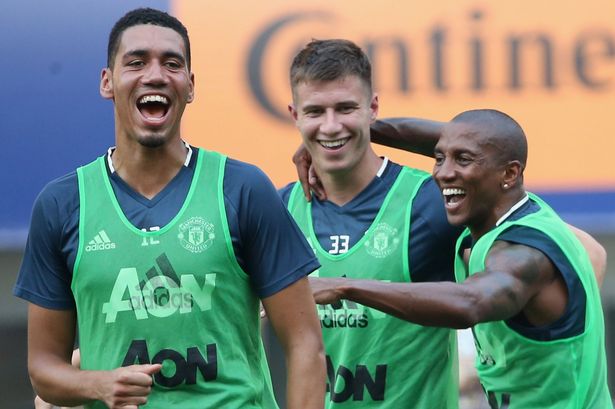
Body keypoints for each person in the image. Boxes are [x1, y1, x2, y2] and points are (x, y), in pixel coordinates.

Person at [14, 8, 325, 409]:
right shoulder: (61, 204)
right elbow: (43, 369)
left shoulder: (242, 188)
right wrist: (98, 385)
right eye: (136, 62)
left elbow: (305, 344)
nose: (156, 75)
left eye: (172, 63)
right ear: (107, 82)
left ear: (190, 86)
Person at [309, 108, 612, 408]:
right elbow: (472, 142)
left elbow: (470, 303)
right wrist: (344, 137)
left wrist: (346, 287)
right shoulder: (506, 214)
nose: (443, 173)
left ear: (509, 173)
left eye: (462, 160)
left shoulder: (522, 254)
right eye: (439, 158)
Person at [281, 38, 463, 408]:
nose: (331, 126)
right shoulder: (280, 209)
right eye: (315, 112)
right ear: (294, 114)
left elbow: (489, 148)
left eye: (346, 108)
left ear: (374, 107)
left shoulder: (429, 201)